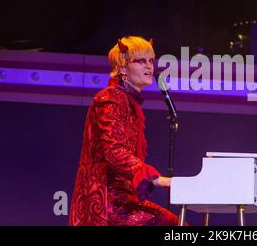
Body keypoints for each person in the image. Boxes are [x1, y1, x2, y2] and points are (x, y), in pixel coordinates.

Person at [68, 36, 178, 226]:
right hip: (106, 202)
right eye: (140, 61)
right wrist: (155, 178)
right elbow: (113, 151)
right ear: (122, 68)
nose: (149, 66)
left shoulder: (128, 100)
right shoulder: (111, 97)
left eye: (151, 60)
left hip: (123, 199)